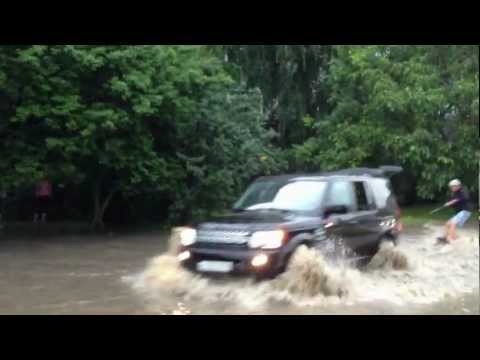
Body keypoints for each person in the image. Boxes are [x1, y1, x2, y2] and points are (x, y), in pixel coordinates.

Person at [437, 179, 472, 244]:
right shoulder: (454, 194)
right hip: (459, 213)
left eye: (453, 186)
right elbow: (453, 203)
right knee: (447, 223)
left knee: (453, 224)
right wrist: (448, 204)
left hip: (465, 211)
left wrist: (452, 201)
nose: (452, 188)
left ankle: (453, 240)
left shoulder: (463, 191)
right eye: (451, 186)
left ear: (458, 186)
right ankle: (444, 238)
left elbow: (465, 198)